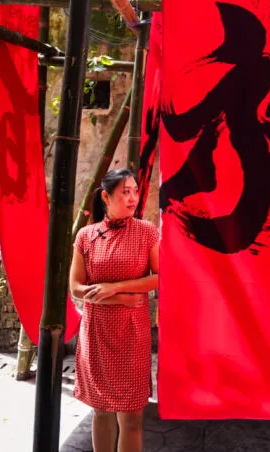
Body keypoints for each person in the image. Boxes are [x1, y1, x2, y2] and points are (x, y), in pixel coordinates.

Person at [70, 168, 159, 452]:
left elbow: (161, 277)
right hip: (96, 334)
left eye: (135, 191)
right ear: (106, 197)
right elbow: (75, 288)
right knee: (100, 411)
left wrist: (113, 287)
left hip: (132, 334)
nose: (133, 198)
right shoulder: (86, 236)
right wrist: (118, 298)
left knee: (131, 417)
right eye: (125, 192)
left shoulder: (146, 232)